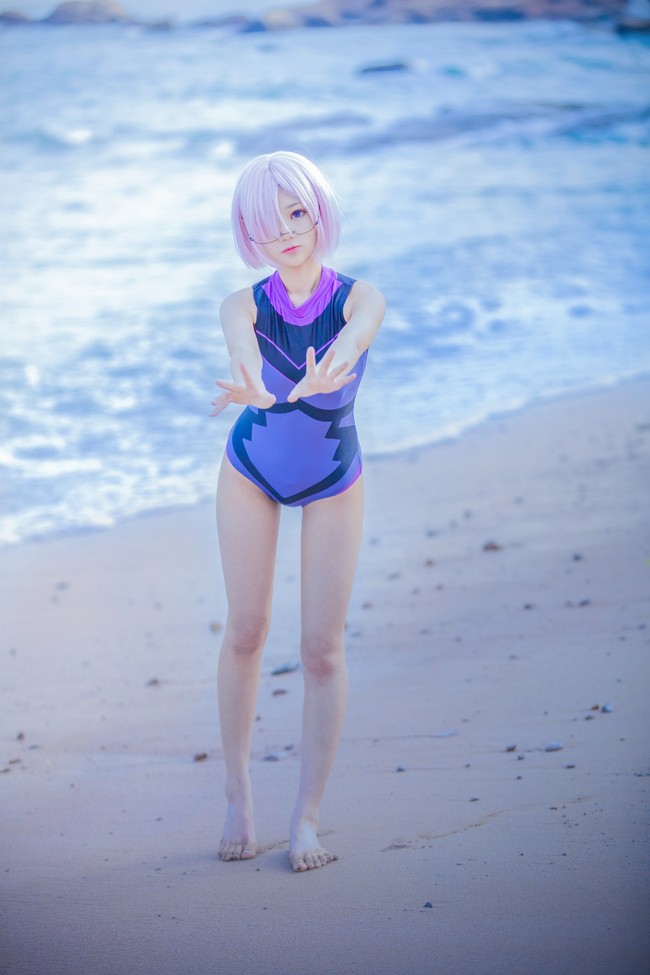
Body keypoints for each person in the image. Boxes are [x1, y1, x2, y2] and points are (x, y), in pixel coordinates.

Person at [210, 151, 385, 872]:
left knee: (322, 649)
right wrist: (253, 384)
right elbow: (242, 349)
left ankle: (306, 819)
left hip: (334, 476)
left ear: (319, 212)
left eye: (296, 212)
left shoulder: (361, 296)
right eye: (267, 220)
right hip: (250, 470)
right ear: (248, 231)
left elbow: (355, 337)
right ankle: (238, 794)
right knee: (247, 630)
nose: (285, 231)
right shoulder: (241, 304)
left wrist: (331, 366)